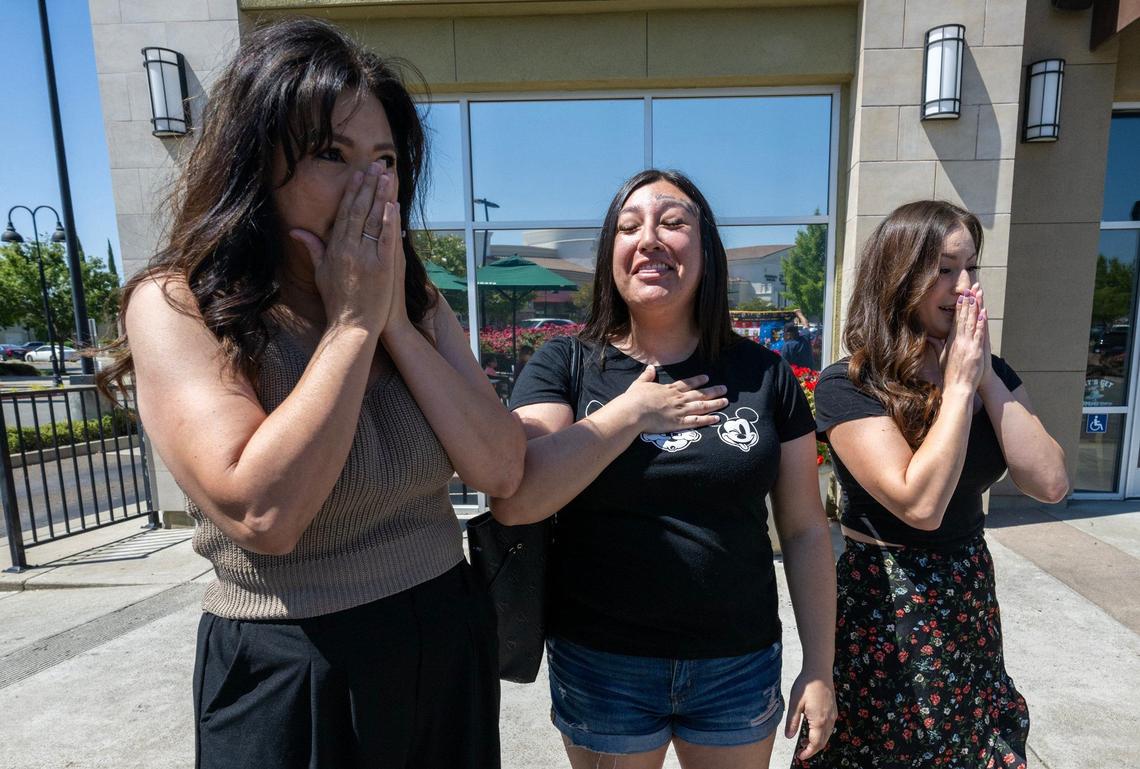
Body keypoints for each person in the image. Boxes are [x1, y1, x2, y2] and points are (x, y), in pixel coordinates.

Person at [98, 19, 524, 769]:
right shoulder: (180, 305)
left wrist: (392, 318)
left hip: (444, 629)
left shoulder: (419, 302)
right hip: (295, 661)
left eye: (386, 159)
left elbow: (500, 465)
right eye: (332, 153)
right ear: (257, 161)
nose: (371, 184)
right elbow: (265, 511)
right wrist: (353, 325)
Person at [492, 169, 837, 769]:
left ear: (706, 252)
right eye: (629, 227)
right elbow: (518, 499)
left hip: (737, 660)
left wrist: (819, 666)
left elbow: (806, 530)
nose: (649, 238)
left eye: (673, 223)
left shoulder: (765, 374)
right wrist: (630, 414)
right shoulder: (564, 364)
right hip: (604, 664)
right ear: (611, 255)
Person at [794, 200, 1068, 769]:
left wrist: (983, 373)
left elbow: (1050, 482)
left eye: (972, 268)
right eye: (944, 269)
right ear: (899, 276)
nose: (963, 287)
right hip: (886, 597)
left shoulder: (987, 374)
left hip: (967, 587)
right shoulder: (851, 384)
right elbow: (919, 504)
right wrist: (960, 389)